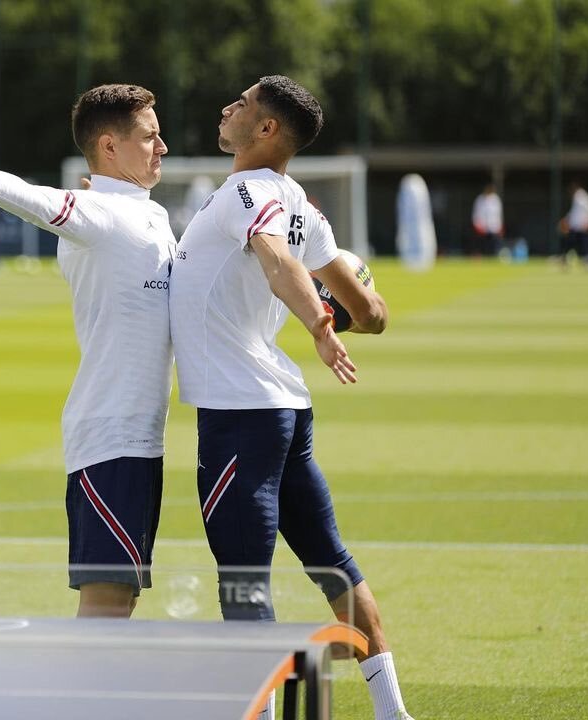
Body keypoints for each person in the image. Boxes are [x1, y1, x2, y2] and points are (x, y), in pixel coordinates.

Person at [169, 75, 413, 720]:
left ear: (267, 129)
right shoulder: (302, 204)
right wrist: (344, 309)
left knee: (243, 582)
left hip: (239, 415)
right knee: (332, 562)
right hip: (281, 410)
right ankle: (393, 712)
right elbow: (373, 313)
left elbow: (277, 262)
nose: (229, 106)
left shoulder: (247, 191)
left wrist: (319, 326)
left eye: (244, 102)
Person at [0, 85, 175, 619]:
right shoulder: (97, 212)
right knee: (107, 599)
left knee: (123, 599)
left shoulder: (153, 216)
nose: (162, 147)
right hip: (109, 436)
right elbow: (38, 201)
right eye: (149, 136)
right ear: (109, 146)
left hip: (142, 438)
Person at [558, 180, 588, 271]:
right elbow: (574, 212)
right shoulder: (577, 197)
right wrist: (566, 220)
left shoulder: (582, 197)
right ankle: (565, 260)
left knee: (584, 243)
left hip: (581, 226)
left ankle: (587, 261)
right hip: (575, 226)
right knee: (570, 244)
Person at [470, 182, 504, 257]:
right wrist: (477, 225)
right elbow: (476, 213)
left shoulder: (496, 199)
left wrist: (499, 226)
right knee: (480, 244)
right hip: (482, 227)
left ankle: (495, 255)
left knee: (495, 244)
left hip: (493, 227)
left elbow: (498, 214)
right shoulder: (480, 199)